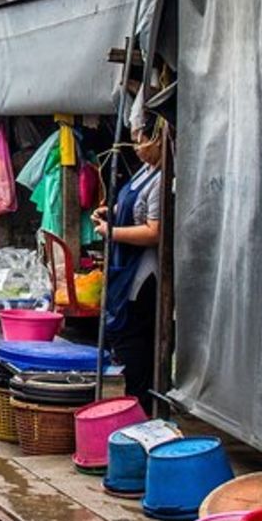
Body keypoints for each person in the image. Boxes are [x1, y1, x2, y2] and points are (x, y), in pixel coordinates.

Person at [92, 119, 165, 414]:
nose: (136, 147)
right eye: (133, 140)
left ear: (158, 139)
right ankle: (135, 403)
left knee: (136, 343)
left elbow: (154, 231)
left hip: (143, 273)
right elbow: (131, 207)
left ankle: (142, 408)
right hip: (124, 264)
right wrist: (110, 212)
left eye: (140, 140)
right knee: (125, 341)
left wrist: (111, 232)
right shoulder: (146, 171)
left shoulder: (163, 179)